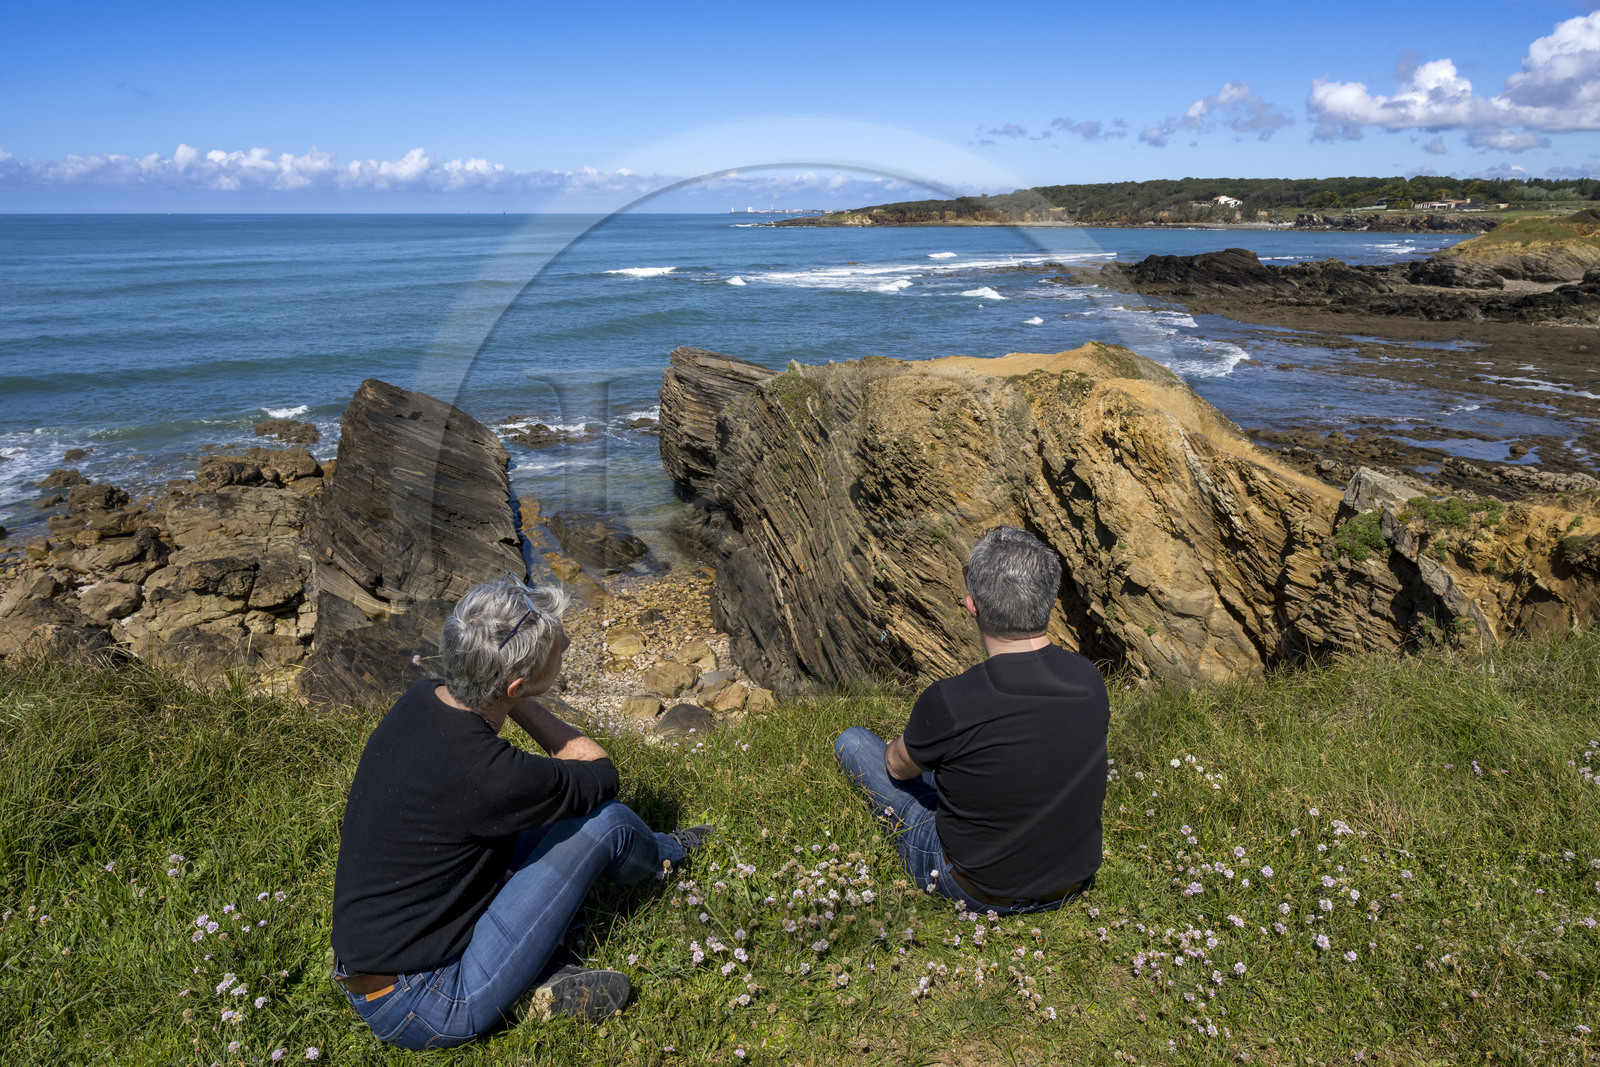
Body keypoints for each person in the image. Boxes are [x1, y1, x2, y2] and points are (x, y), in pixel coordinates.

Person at [331, 574, 713, 1051]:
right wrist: (520, 699)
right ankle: (671, 853)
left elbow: (503, 768)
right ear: (515, 685)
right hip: (426, 1001)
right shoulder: (490, 777)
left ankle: (539, 976)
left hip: (375, 964)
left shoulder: (422, 698)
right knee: (608, 822)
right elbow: (599, 775)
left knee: (552, 823)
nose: (568, 643)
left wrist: (506, 694)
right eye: (558, 647)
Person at [834, 526, 1108, 915]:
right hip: (1070, 884)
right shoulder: (1088, 679)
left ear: (972, 606)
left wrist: (915, 741)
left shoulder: (950, 699)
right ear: (1048, 599)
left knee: (855, 742)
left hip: (977, 889)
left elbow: (896, 767)